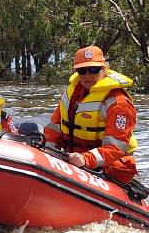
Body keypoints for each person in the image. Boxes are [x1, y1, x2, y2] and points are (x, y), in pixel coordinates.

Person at [44, 45, 139, 184]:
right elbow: (54, 128)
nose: (88, 75)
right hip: (73, 159)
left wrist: (86, 159)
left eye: (94, 69)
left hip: (110, 167)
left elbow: (116, 147)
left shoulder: (118, 103)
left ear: (104, 68)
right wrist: (48, 151)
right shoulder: (73, 94)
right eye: (82, 70)